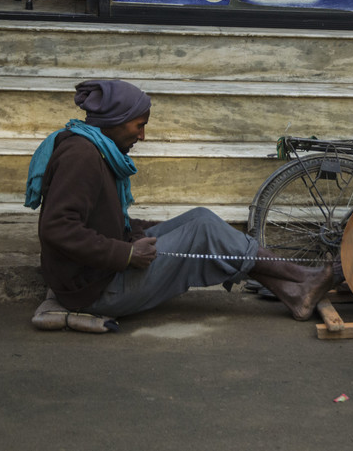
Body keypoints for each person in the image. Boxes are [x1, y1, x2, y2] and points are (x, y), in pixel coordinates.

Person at [25, 80, 334, 322]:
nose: (142, 136)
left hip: (101, 273)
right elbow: (57, 228)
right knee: (205, 234)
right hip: (97, 291)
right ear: (116, 121)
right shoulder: (82, 156)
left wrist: (139, 232)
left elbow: (101, 219)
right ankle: (301, 277)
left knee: (200, 218)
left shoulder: (94, 148)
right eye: (138, 126)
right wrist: (126, 254)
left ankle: (296, 293)